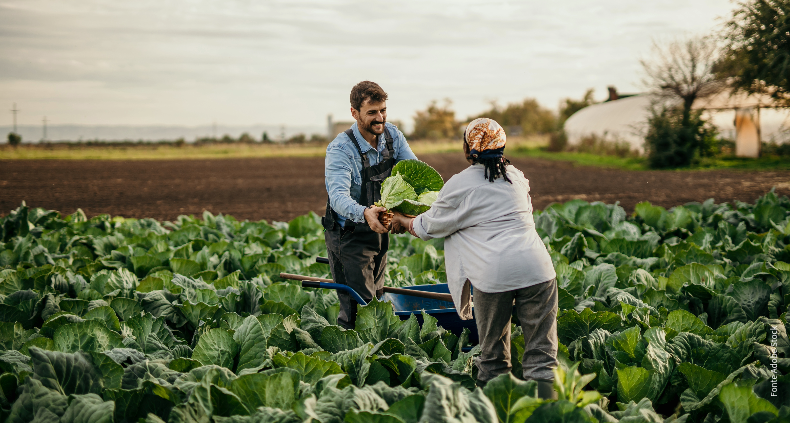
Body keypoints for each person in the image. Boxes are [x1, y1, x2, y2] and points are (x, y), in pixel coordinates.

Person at [390, 118, 558, 398]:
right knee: (543, 357)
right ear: (501, 146)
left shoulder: (461, 184)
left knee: (493, 359)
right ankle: (548, 414)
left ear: (469, 149)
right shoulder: (516, 177)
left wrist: (399, 218)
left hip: (494, 275)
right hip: (538, 270)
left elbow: (427, 227)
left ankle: (494, 412)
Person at [322, 81, 418, 329]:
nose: (380, 118)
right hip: (349, 236)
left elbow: (415, 173)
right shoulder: (341, 149)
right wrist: (365, 213)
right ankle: (350, 360)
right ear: (354, 113)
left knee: (376, 303)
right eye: (372, 112)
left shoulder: (392, 136)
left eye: (383, 110)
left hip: (379, 231)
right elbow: (338, 197)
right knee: (359, 311)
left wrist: (407, 210)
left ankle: (376, 357)